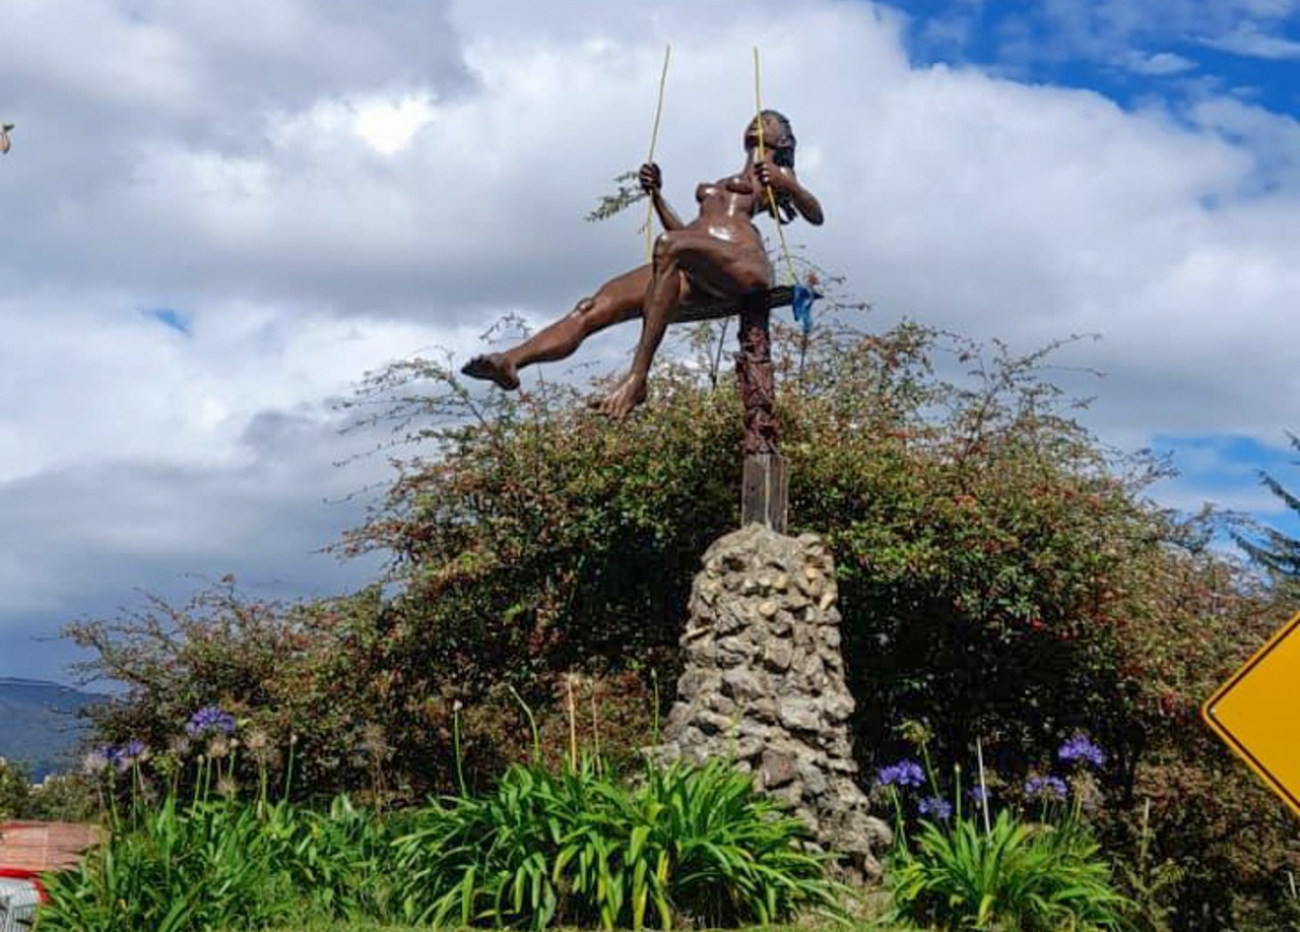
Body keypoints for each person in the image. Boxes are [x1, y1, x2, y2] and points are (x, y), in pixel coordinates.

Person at [461, 110, 823, 417]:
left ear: (784, 141)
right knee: (592, 305)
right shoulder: (719, 184)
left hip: (744, 265)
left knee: (670, 246)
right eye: (758, 118)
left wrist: (783, 183)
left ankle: (637, 378)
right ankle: (511, 361)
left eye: (770, 120)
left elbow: (816, 215)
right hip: (697, 261)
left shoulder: (775, 177)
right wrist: (657, 195)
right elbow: (683, 236)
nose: (760, 121)